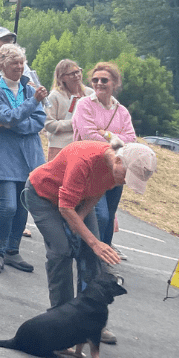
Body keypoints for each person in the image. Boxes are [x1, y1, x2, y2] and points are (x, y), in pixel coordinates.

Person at [25, 139, 155, 313]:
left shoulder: (115, 170)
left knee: (92, 254)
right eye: (126, 176)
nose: (124, 181)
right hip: (43, 195)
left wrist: (81, 218)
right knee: (62, 250)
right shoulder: (85, 159)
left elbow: (99, 189)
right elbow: (65, 208)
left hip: (78, 200)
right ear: (118, 160)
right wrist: (94, 242)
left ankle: (88, 314)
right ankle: (62, 314)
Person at [0, 43, 47, 275]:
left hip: (30, 156)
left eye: (21, 63)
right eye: (14, 63)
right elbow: (5, 115)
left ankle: (13, 250)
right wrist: (29, 107)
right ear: (2, 65)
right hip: (5, 155)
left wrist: (11, 124)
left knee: (23, 206)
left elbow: (39, 121)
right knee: (8, 206)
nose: (19, 67)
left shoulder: (30, 89)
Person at [0, 27, 39, 230]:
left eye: (11, 39)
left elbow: (37, 105)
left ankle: (13, 226)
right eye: (3, 40)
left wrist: (12, 120)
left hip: (15, 129)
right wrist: (16, 113)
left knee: (21, 175)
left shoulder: (24, 66)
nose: (8, 42)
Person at [71, 62, 135, 255]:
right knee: (100, 216)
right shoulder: (84, 105)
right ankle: (87, 256)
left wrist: (106, 134)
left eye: (104, 80)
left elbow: (131, 139)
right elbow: (90, 136)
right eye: (95, 79)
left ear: (115, 83)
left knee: (109, 219)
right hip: (90, 169)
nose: (99, 83)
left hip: (115, 173)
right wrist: (117, 140)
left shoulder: (121, 111)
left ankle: (101, 260)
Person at [44, 59, 92, 160]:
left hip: (85, 146)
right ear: (62, 77)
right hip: (60, 148)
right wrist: (74, 123)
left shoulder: (90, 94)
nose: (76, 75)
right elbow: (48, 124)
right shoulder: (54, 96)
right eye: (72, 74)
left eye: (78, 71)